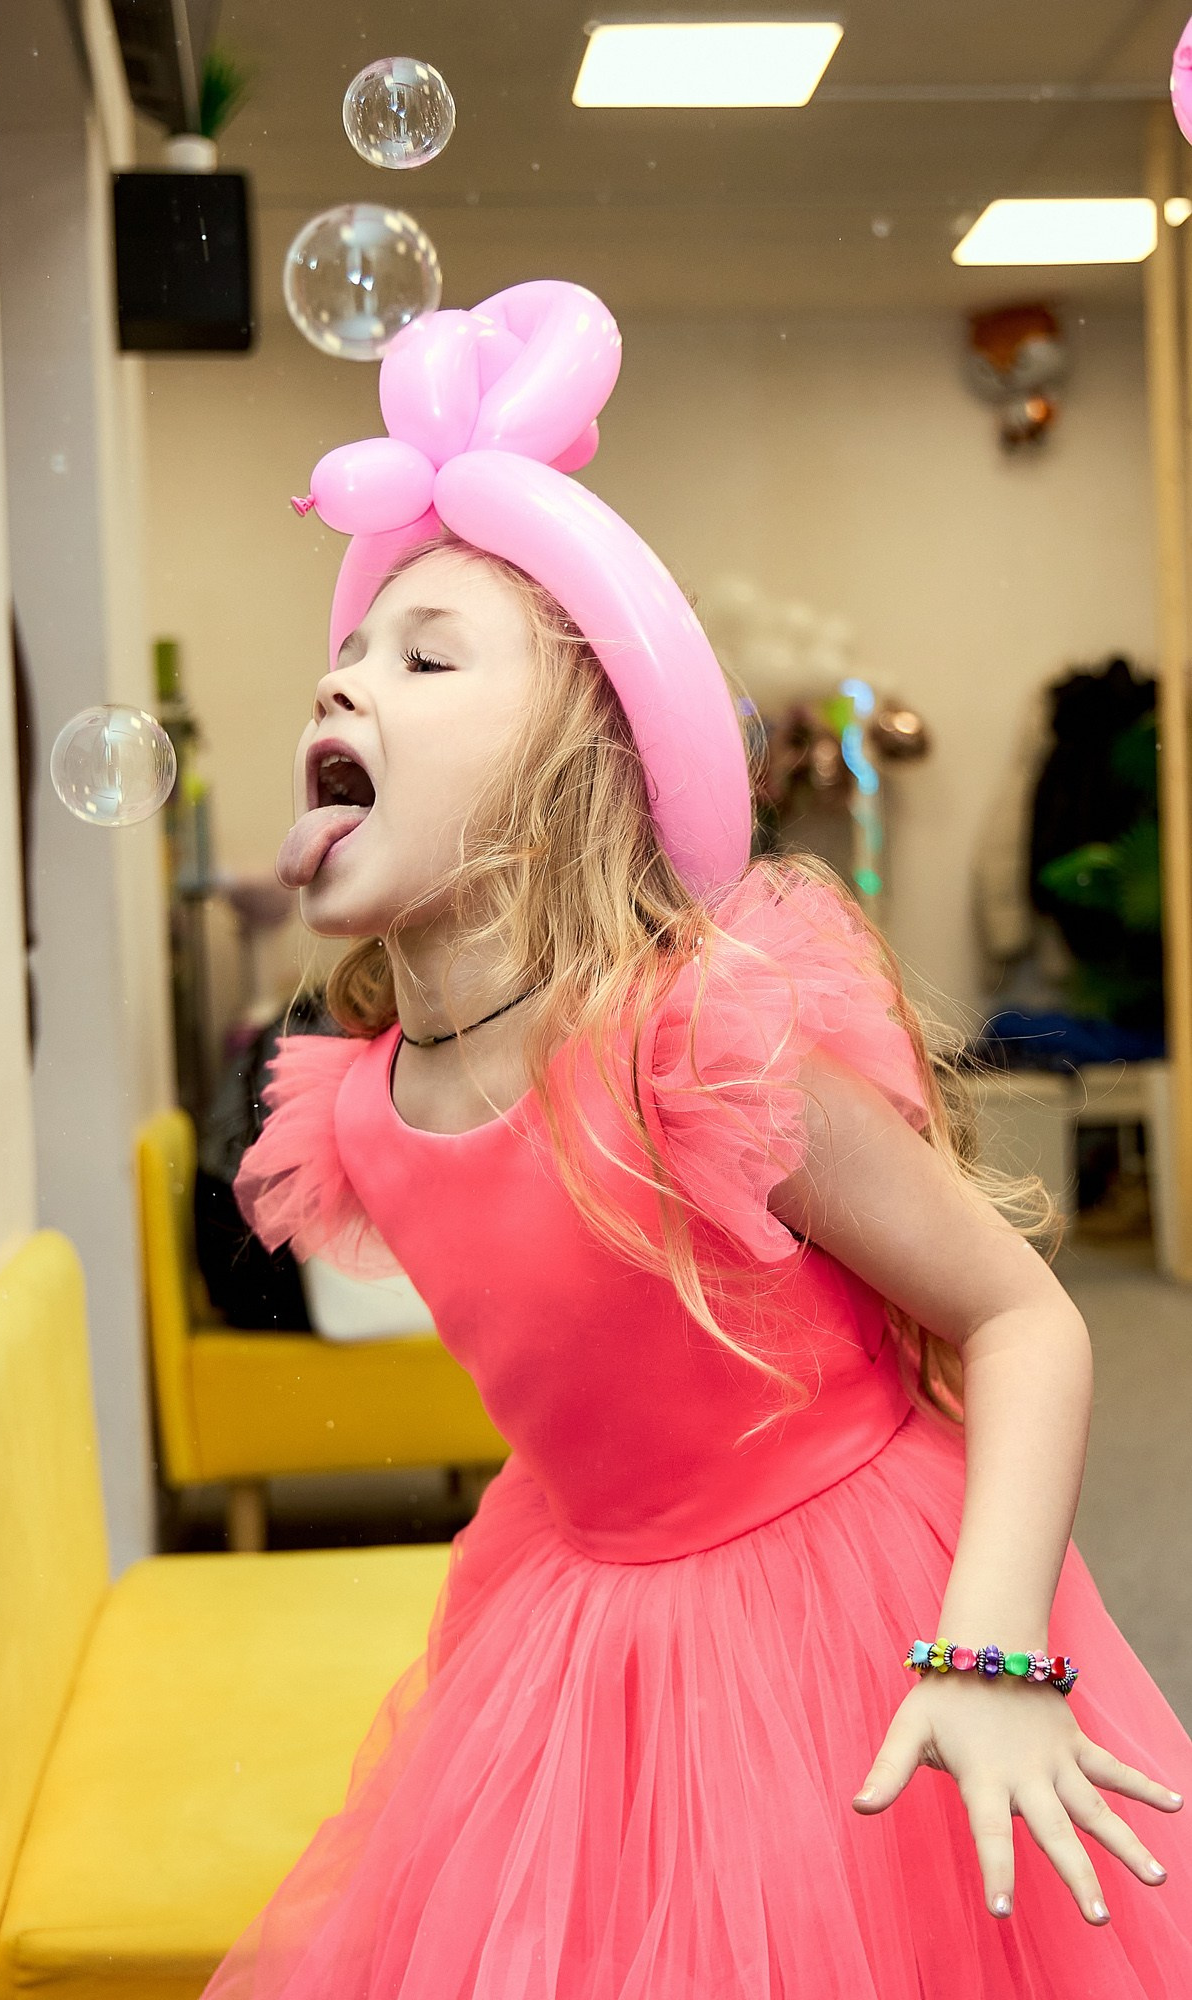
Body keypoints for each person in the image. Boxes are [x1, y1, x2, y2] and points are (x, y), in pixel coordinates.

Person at [202, 282, 1191, 1998]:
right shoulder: (359, 1106)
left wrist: (990, 1649)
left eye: (425, 658)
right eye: (345, 662)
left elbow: (1021, 1316)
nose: (347, 680)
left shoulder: (693, 1045)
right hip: (578, 1629)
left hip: (851, 1603)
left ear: (567, 778)